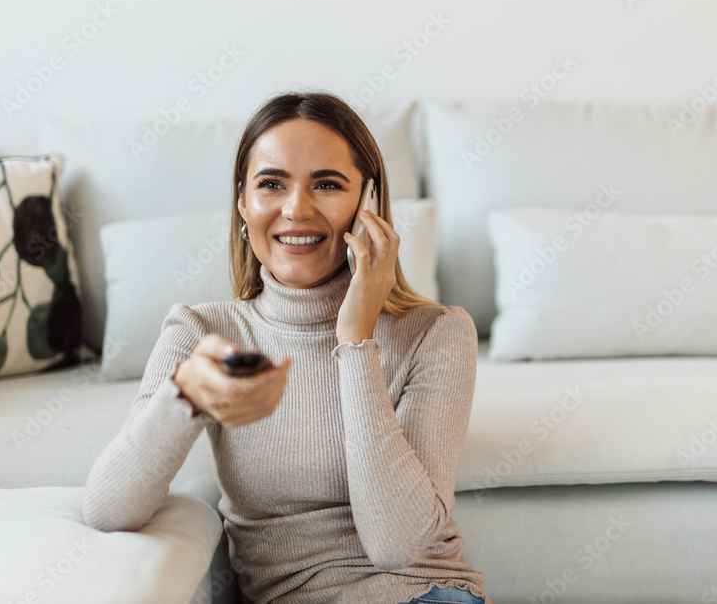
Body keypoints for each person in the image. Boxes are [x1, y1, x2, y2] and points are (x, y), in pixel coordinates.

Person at [82, 91, 489, 604]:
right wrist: (194, 389)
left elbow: (398, 547)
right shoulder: (200, 331)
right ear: (242, 202)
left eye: (327, 184)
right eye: (271, 184)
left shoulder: (438, 333)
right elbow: (108, 508)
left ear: (368, 204)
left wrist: (355, 339)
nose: (296, 209)